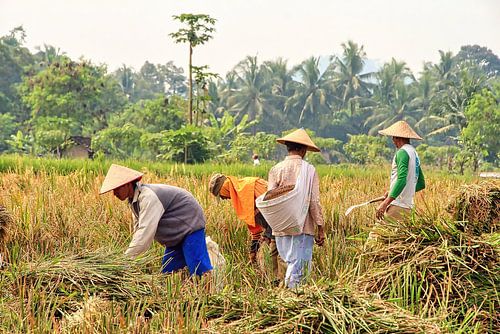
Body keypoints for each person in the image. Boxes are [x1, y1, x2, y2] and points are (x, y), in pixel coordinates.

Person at [99, 164, 212, 276]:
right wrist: (130, 257)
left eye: (116, 189)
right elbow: (138, 230)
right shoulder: (134, 202)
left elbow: (145, 232)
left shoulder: (148, 197)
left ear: (127, 184)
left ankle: (208, 292)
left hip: (189, 224)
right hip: (174, 236)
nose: (114, 194)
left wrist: (125, 260)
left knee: (199, 269)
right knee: (168, 273)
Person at [263, 129, 325, 288]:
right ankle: (293, 299)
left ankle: (286, 298)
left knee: (288, 264)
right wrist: (320, 227)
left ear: (288, 147)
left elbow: (270, 199)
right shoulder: (309, 170)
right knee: (299, 269)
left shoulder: (276, 169)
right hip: (303, 227)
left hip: (281, 226)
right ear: (303, 150)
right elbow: (314, 201)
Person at [208, 174, 280, 277]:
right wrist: (253, 252)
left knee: (275, 256)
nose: (224, 199)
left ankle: (281, 284)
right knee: (268, 256)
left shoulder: (249, 186)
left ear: (224, 189)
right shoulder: (241, 198)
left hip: (281, 224)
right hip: (274, 228)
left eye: (221, 195)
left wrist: (268, 235)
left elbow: (273, 208)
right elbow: (255, 231)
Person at [375, 121, 426, 223]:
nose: (393, 141)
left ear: (397, 138)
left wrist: (386, 202)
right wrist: (394, 192)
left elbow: (402, 180)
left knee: (374, 238)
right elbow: (420, 183)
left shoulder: (402, 153)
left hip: (397, 208)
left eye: (393, 137)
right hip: (408, 209)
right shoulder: (414, 154)